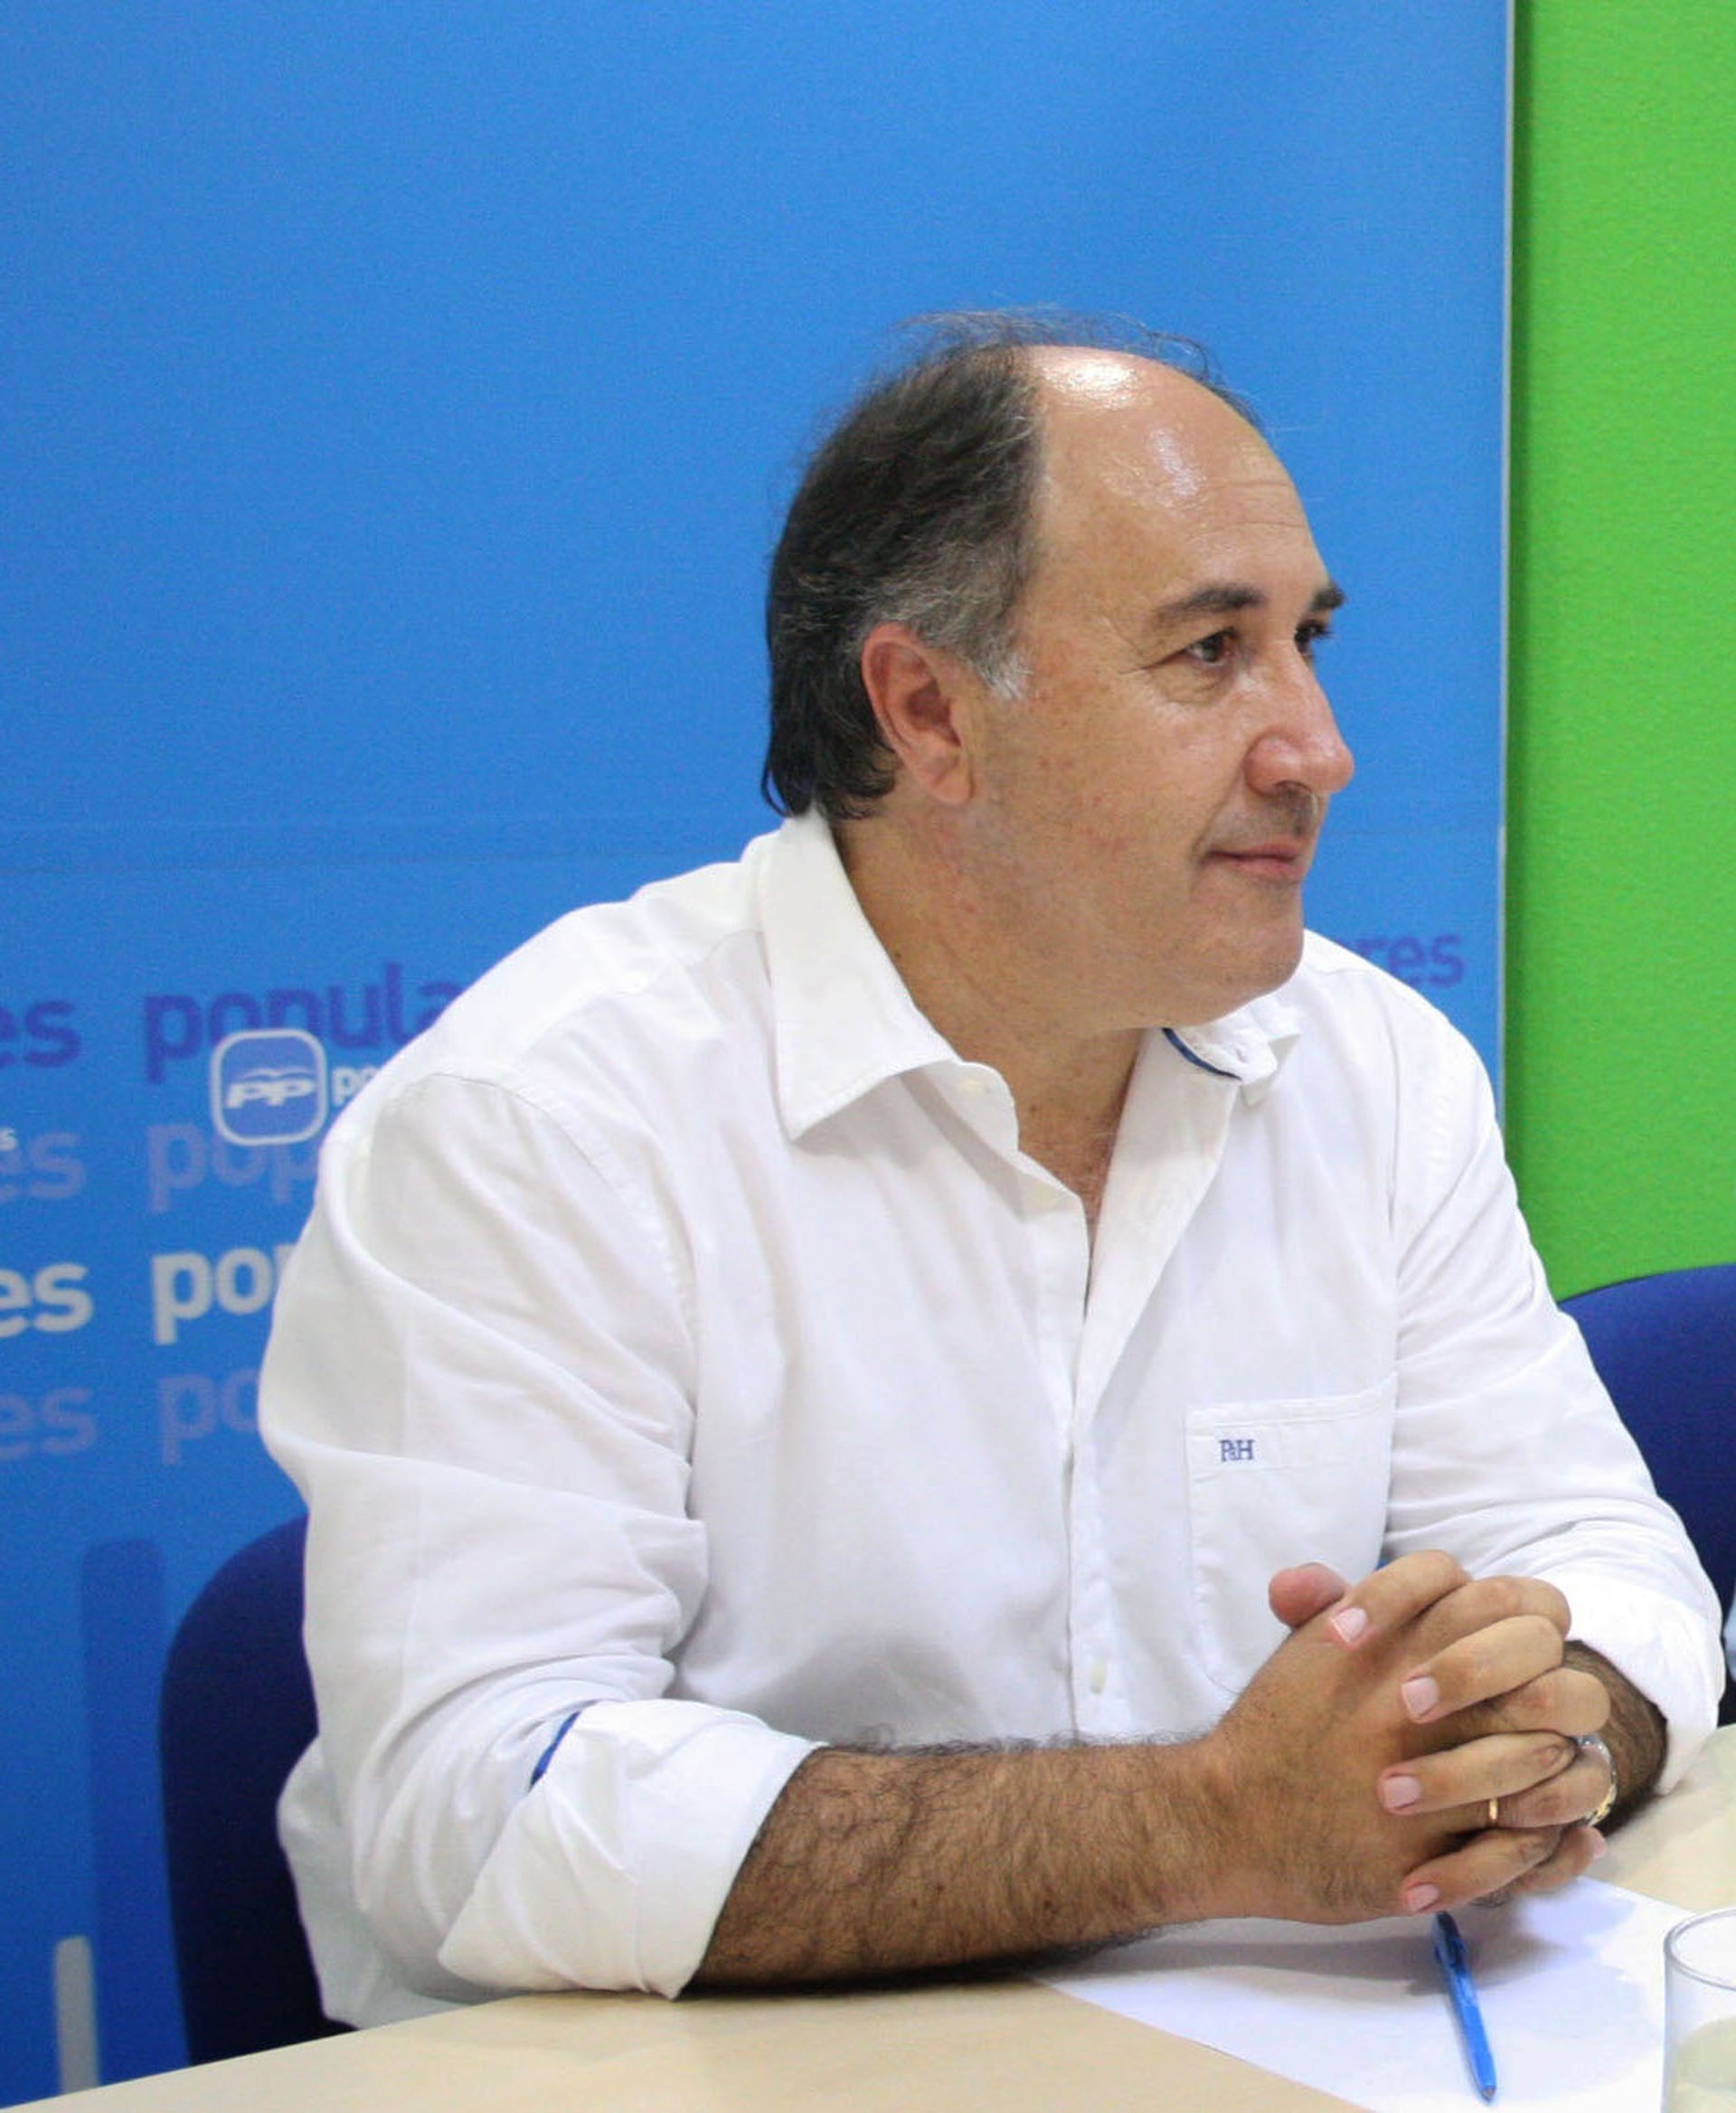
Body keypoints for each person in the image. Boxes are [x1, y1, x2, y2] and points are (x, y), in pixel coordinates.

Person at [259, 313, 1723, 2025]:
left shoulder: (1374, 1066)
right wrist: (1207, 1825)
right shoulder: (541, 1121)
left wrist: (1542, 1727)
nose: (1316, 746)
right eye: (1210, 653)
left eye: (1307, 641)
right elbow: (480, 1809)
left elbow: (1600, 1554)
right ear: (930, 712)